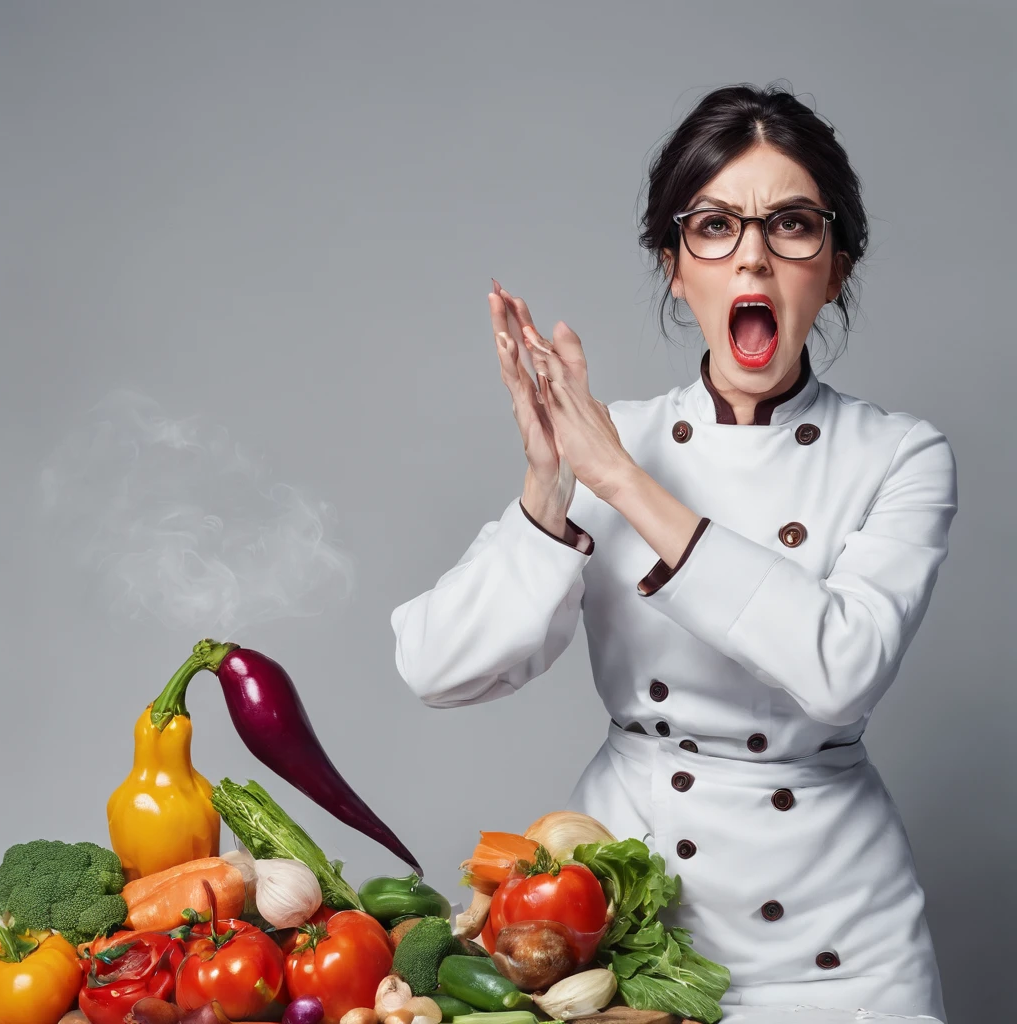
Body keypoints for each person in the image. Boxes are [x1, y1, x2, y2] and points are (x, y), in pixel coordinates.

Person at [390, 82, 955, 1021]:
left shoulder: (900, 455)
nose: (756, 259)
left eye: (794, 226)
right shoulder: (610, 440)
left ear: (837, 266)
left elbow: (842, 668)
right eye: (715, 227)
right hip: (621, 939)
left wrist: (620, 482)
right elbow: (436, 669)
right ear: (674, 265)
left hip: (841, 956)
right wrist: (548, 484)